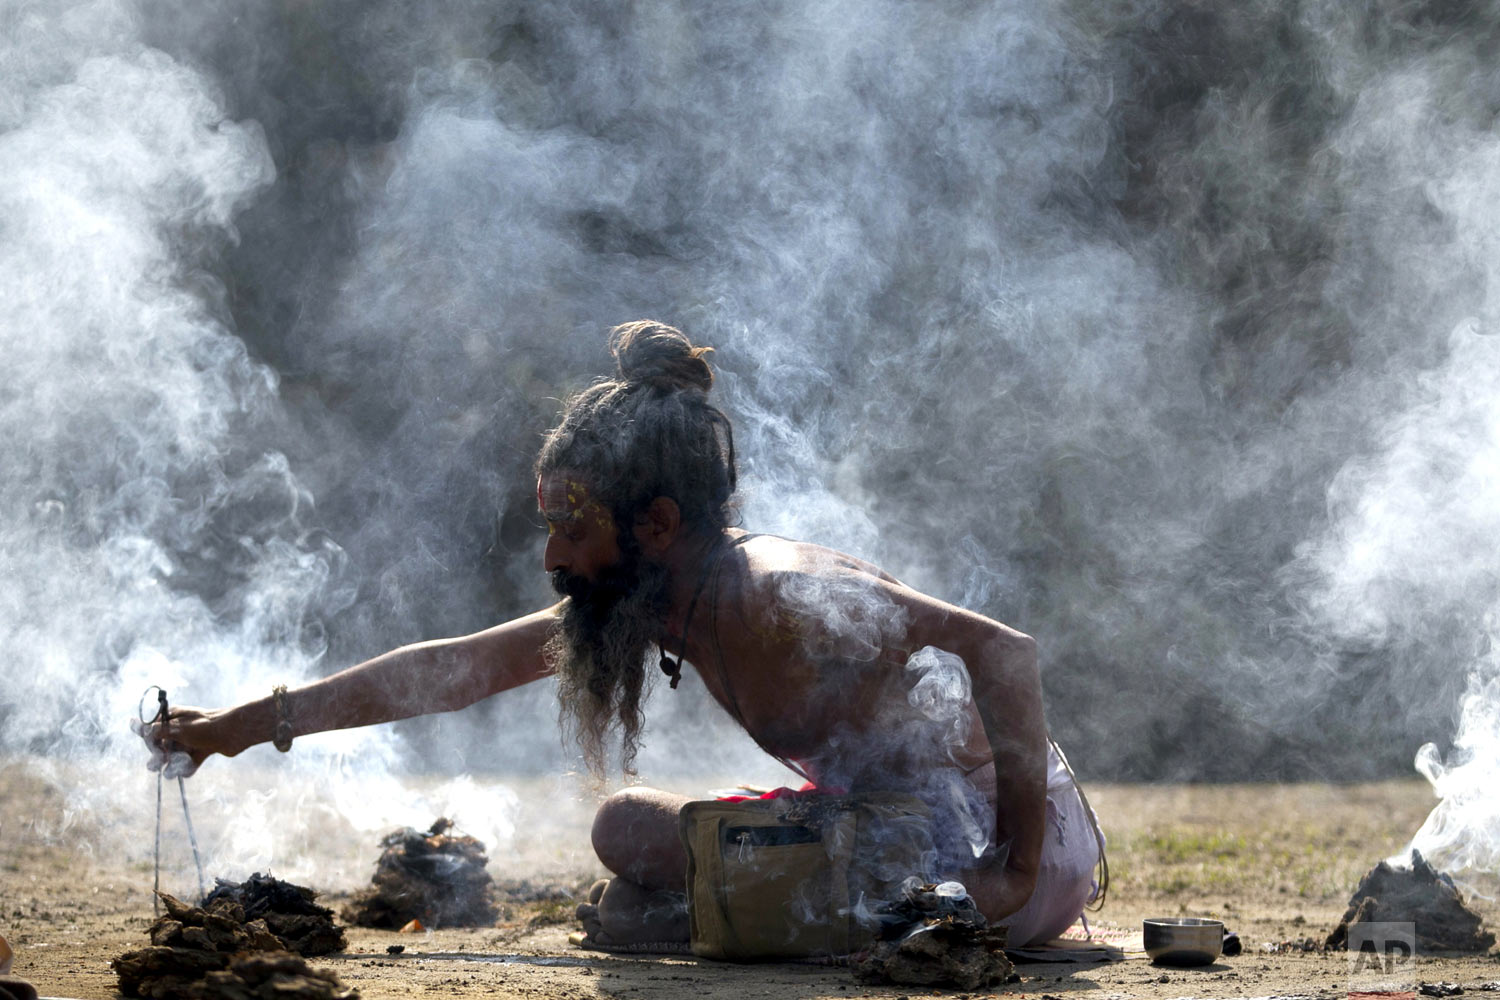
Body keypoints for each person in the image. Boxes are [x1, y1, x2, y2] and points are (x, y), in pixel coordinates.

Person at [143, 320, 1103, 950]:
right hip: (869, 842)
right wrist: (239, 727)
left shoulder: (776, 590)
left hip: (980, 863)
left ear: (654, 526)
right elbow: (455, 672)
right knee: (625, 827)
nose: (553, 557)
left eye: (572, 528)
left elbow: (1002, 651)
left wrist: (1012, 867)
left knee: (668, 886)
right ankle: (741, 911)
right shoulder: (658, 597)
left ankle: (758, 913)